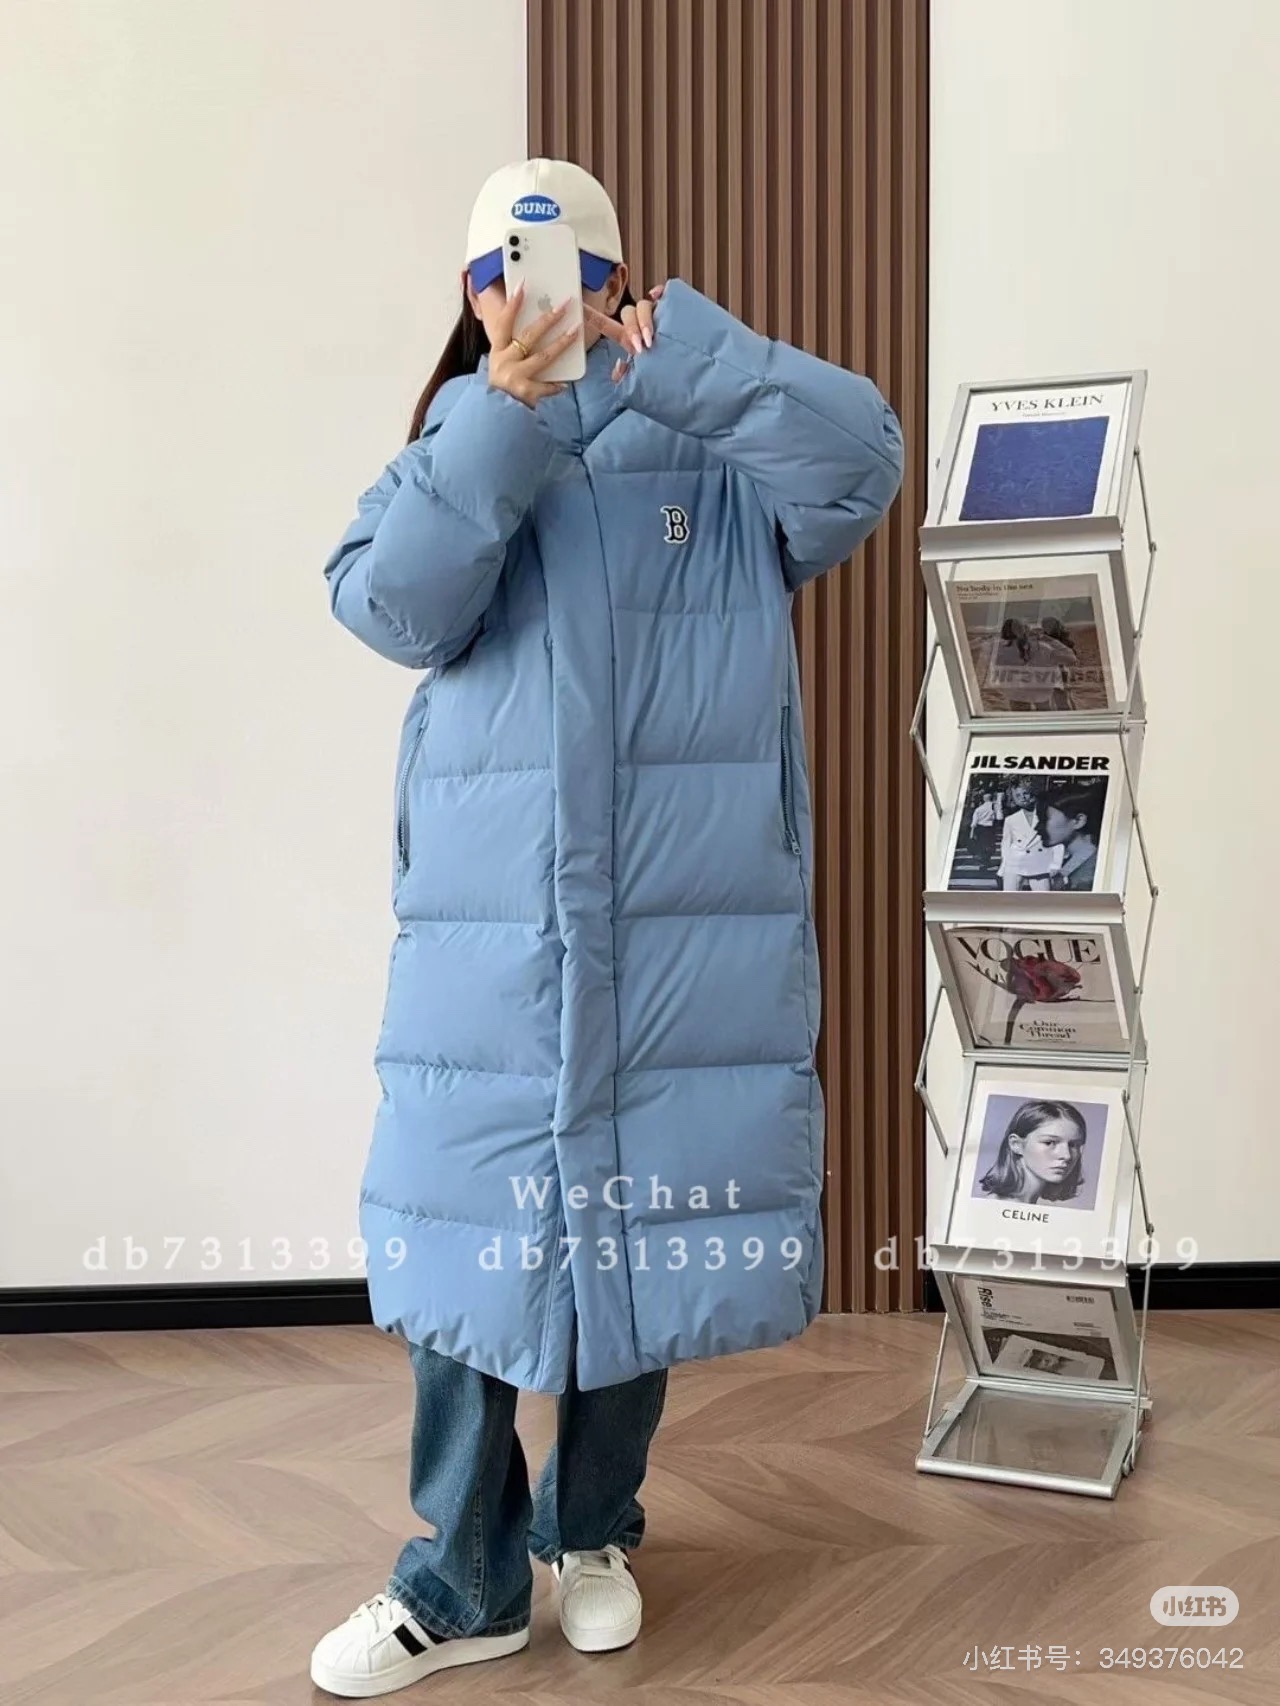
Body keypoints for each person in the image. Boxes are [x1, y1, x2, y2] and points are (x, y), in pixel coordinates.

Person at [311, 158, 903, 1696]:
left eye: (568, 271)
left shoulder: (713, 444)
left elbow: (864, 461)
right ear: (470, 297)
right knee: (467, 1252)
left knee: (644, 1230)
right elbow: (389, 608)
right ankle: (462, 1577)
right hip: (493, 946)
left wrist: (685, 353)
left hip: (676, 934)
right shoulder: (455, 444)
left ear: (621, 278)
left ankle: (593, 1531)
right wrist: (499, 421)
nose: (534, 301)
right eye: (502, 277)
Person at [978, 1098, 1088, 1204]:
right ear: (1016, 1144)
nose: (1067, 1155)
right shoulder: (994, 1205)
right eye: (1049, 1142)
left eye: (1073, 1145)